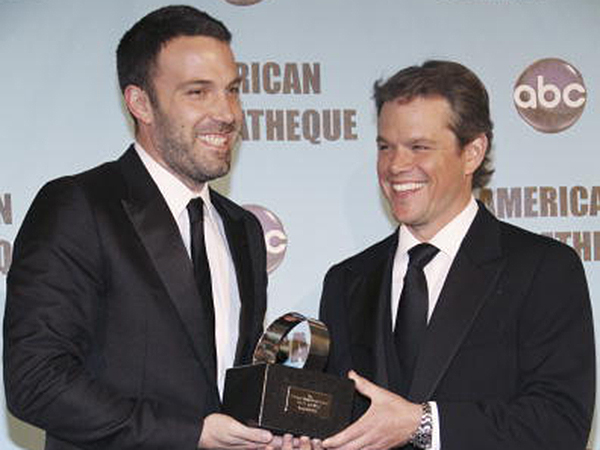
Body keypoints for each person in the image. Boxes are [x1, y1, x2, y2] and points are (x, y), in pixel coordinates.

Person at [4, 5, 279, 450]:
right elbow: (36, 380)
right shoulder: (79, 207)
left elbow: (234, 387)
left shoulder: (241, 228)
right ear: (140, 103)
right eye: (198, 92)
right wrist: (191, 434)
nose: (227, 113)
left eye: (232, 90)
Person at [318, 60, 595, 450]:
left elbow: (560, 426)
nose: (395, 165)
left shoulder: (543, 270)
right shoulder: (347, 281)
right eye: (385, 147)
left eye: (419, 147)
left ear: (473, 152)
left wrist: (422, 423)